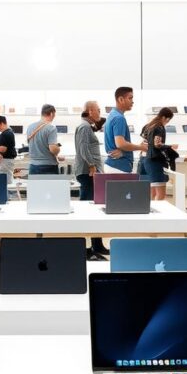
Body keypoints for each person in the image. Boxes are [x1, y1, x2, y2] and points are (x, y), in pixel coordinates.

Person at [75, 101, 112, 259]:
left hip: (91, 172)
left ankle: (97, 245)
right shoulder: (84, 127)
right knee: (87, 210)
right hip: (88, 172)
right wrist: (91, 165)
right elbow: (83, 148)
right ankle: (86, 247)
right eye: (98, 110)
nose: (100, 113)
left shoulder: (87, 126)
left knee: (94, 209)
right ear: (90, 111)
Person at [104, 86, 147, 173]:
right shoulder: (119, 118)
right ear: (120, 99)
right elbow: (120, 144)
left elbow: (119, 144)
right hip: (119, 167)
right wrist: (141, 147)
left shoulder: (112, 115)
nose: (132, 101)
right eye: (130, 98)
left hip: (114, 165)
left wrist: (124, 150)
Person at [140, 107, 176, 201]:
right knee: (161, 195)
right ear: (165, 118)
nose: (167, 122)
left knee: (151, 193)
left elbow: (144, 142)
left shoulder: (148, 126)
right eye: (168, 120)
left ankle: (150, 213)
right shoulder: (159, 127)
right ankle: (157, 215)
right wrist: (170, 146)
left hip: (145, 160)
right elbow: (157, 144)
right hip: (155, 161)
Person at [25, 104, 61, 175]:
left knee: (36, 186)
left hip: (33, 166)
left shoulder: (30, 127)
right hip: (48, 167)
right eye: (54, 114)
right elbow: (53, 149)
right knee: (50, 186)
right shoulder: (51, 128)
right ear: (51, 114)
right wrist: (58, 149)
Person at [0, 115, 18, 185]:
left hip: (5, 161)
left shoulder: (8, 133)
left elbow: (3, 149)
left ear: (2, 123)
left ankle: (7, 194)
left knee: (5, 182)